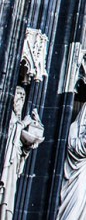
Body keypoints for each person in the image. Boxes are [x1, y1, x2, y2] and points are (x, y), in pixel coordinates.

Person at [0, 87, 44, 219]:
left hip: (14, 161)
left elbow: (22, 147)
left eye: (23, 96)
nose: (21, 98)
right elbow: (10, 131)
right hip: (6, 158)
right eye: (18, 94)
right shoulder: (7, 114)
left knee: (10, 191)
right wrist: (24, 123)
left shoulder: (17, 119)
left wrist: (36, 125)